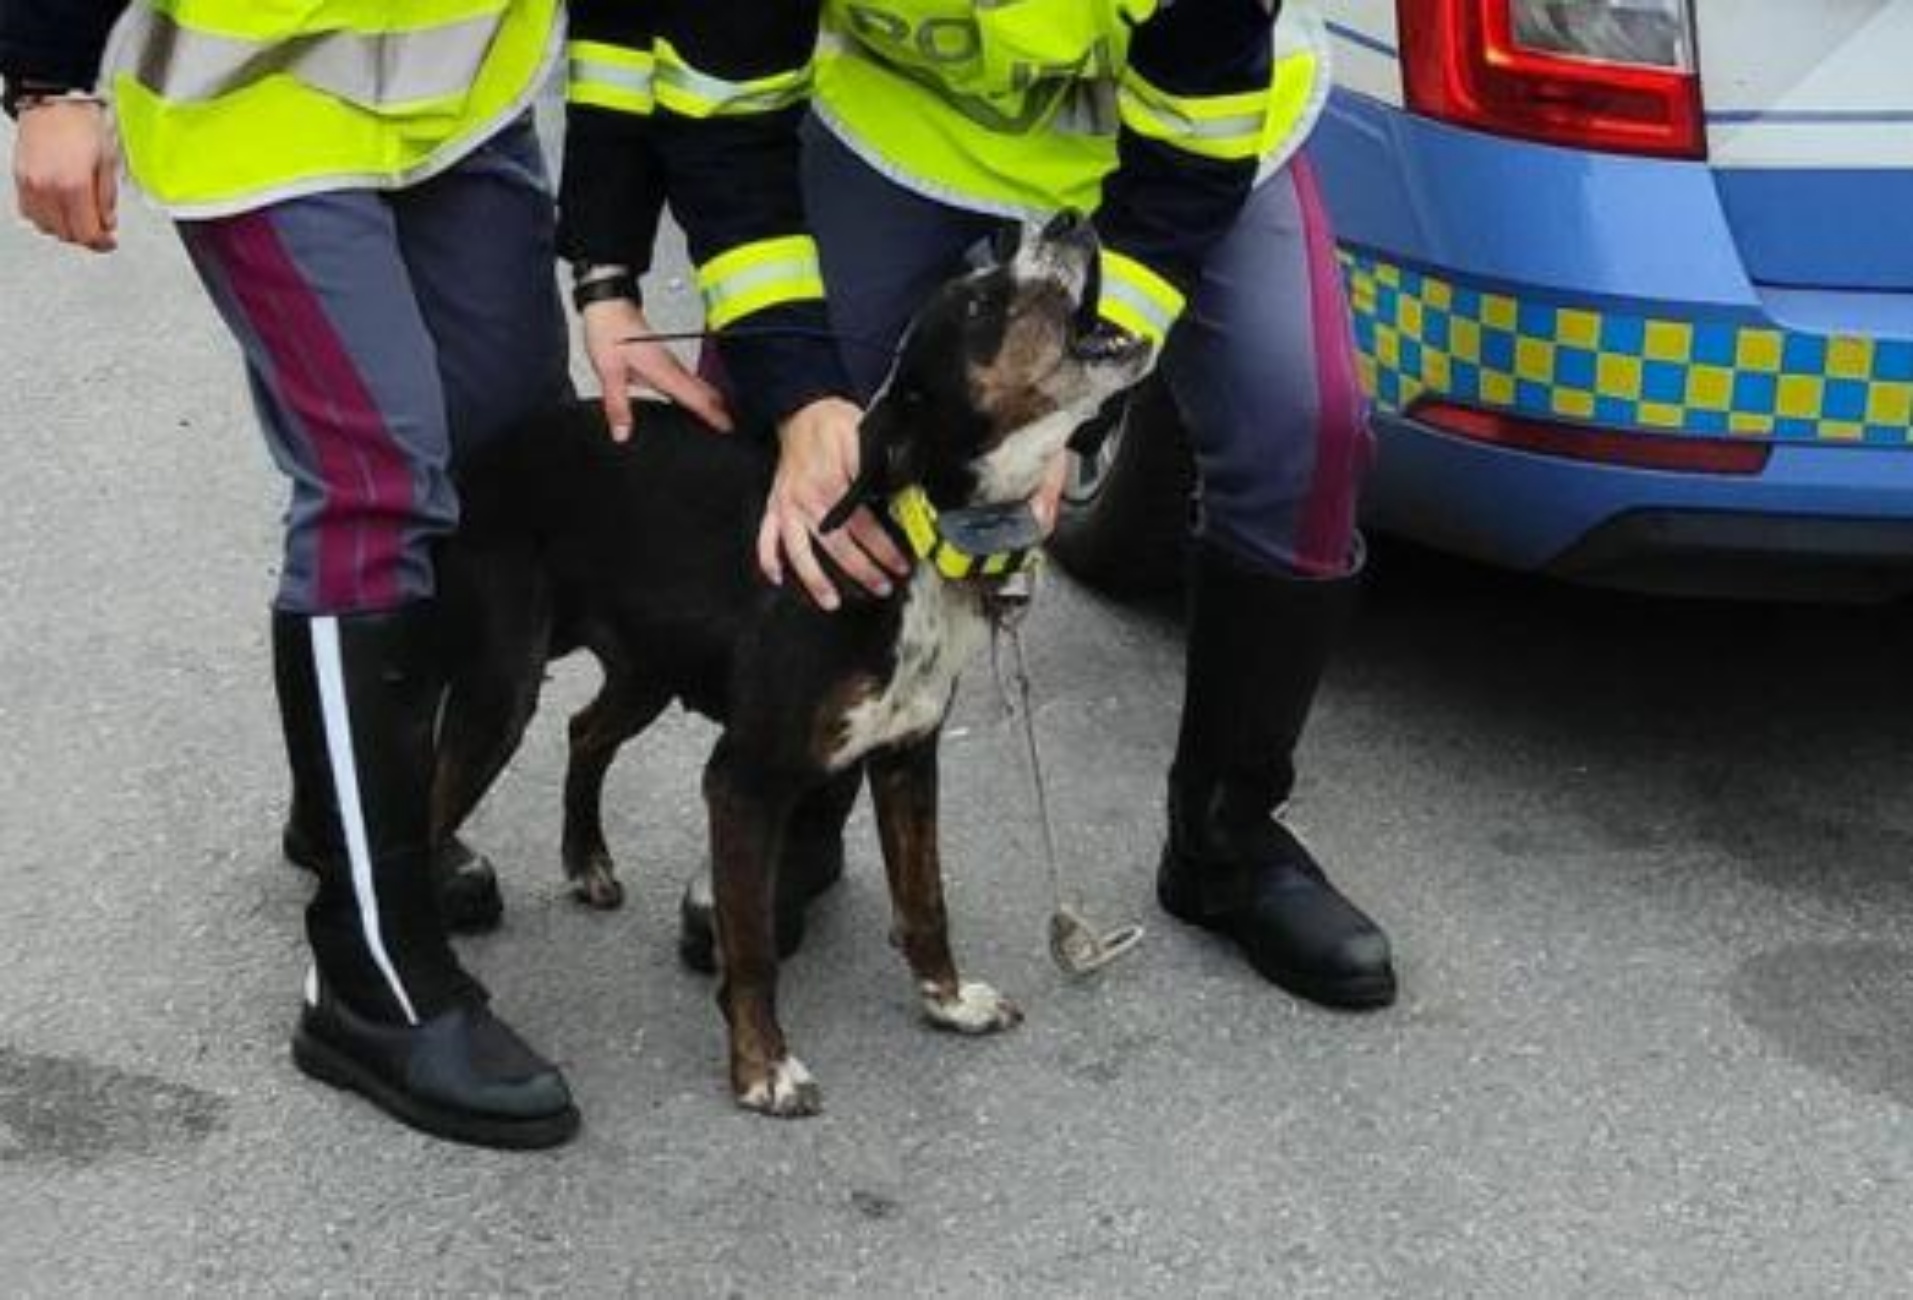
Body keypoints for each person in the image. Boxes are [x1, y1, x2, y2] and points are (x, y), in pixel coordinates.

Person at [564, 0, 1397, 1010]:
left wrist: (1073, 406)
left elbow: (1192, 148)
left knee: (1300, 427)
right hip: (907, 118)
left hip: (1175, 128)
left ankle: (1227, 841)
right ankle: (803, 793)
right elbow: (725, 116)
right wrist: (798, 394)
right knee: (773, 424)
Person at [3, 0, 582, 1146]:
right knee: (376, 477)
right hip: (252, 99)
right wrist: (44, 77)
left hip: (465, 85)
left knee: (510, 454)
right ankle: (370, 974)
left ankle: (346, 815)